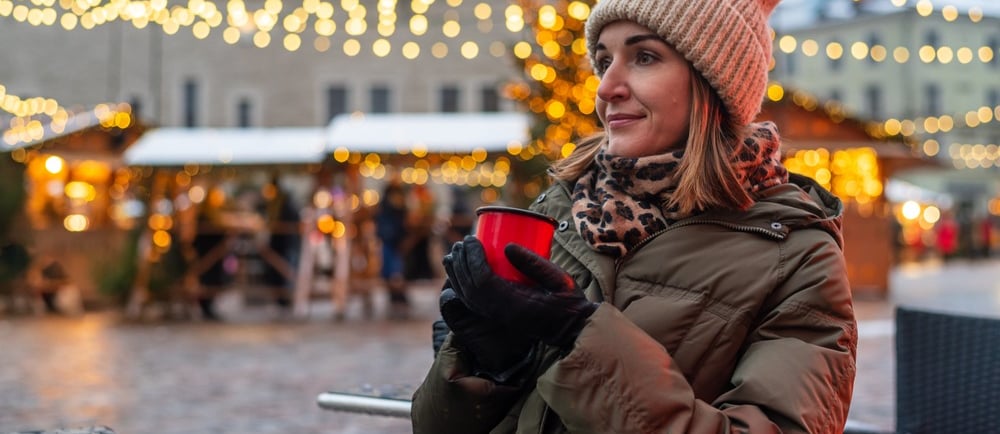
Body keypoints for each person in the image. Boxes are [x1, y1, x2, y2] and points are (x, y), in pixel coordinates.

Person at [412, 0, 858, 432]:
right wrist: (490, 364)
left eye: (645, 57)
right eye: (604, 61)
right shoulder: (560, 210)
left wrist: (580, 336)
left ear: (712, 85)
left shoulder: (797, 255)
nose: (607, 88)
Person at [375, 177, 411, 320]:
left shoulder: (387, 204)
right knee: (395, 272)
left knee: (394, 272)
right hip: (392, 241)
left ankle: (397, 299)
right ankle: (397, 298)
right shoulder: (394, 203)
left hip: (391, 241)